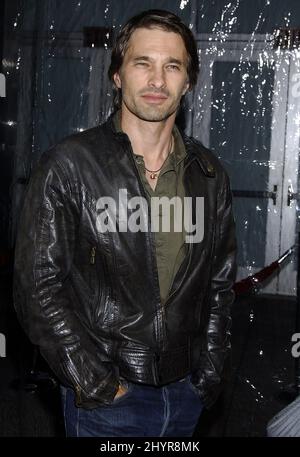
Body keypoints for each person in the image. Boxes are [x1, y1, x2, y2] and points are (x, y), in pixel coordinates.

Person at [13, 9, 237, 437]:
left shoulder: (209, 175)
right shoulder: (70, 166)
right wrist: (93, 378)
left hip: (187, 392)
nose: (157, 80)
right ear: (117, 75)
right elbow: (36, 286)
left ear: (188, 82)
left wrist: (210, 368)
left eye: (172, 66)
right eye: (142, 63)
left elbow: (220, 285)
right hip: (108, 397)